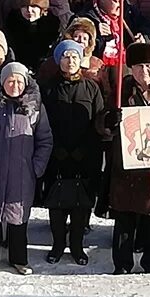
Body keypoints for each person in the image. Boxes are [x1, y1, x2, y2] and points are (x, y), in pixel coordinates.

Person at [0, 61, 52, 275]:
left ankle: (19, 259)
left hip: (21, 172)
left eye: (18, 81)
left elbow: (45, 140)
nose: (14, 85)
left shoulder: (35, 107)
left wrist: (36, 167)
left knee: (18, 217)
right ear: (2, 82)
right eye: (10, 81)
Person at [105, 42, 150, 274]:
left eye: (148, 66)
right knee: (124, 219)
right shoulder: (121, 92)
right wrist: (110, 120)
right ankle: (122, 264)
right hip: (125, 168)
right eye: (138, 67)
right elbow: (100, 121)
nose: (143, 72)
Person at [41, 40, 104, 265]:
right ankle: (58, 245)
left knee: (81, 205)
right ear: (59, 60)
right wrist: (55, 148)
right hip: (55, 156)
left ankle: (77, 247)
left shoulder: (91, 88)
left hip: (84, 157)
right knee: (57, 205)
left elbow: (97, 123)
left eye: (75, 57)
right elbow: (42, 122)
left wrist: (84, 149)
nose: (71, 61)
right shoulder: (47, 88)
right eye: (66, 57)